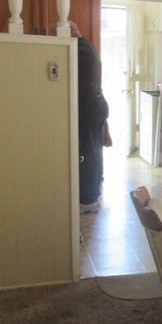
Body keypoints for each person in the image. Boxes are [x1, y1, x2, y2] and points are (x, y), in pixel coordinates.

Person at [53, 22, 110, 211]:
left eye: (58, 34)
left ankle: (88, 199)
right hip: (94, 106)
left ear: (69, 33)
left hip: (89, 108)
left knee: (87, 153)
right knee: (92, 151)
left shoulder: (78, 49)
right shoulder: (87, 47)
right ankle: (91, 195)